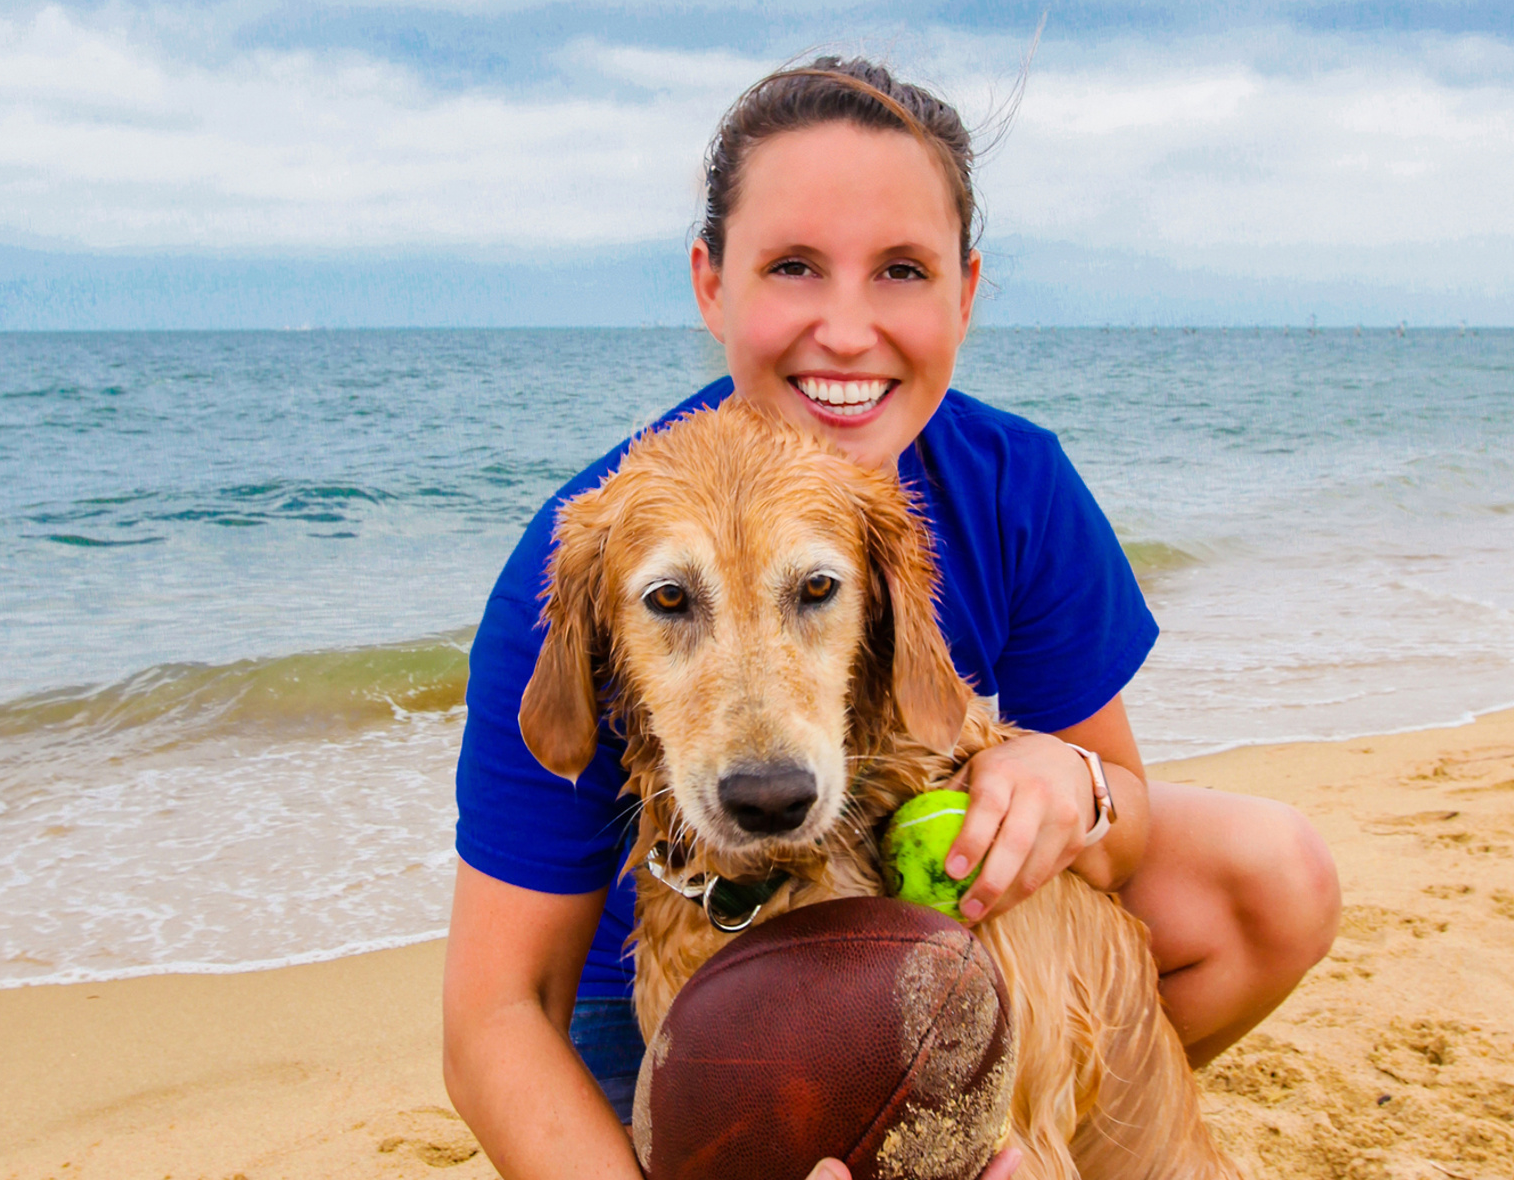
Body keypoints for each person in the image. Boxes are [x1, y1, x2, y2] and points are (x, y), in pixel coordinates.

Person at [442, 57, 1341, 1180]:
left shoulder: (1010, 479)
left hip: (914, 931)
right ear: (711, 283)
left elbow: (1130, 834)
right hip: (660, 1016)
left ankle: (1036, 1120)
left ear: (965, 290)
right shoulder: (589, 545)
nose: (848, 329)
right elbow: (494, 1014)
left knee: (1270, 873)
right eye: (793, 267)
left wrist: (1075, 784)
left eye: (902, 270)